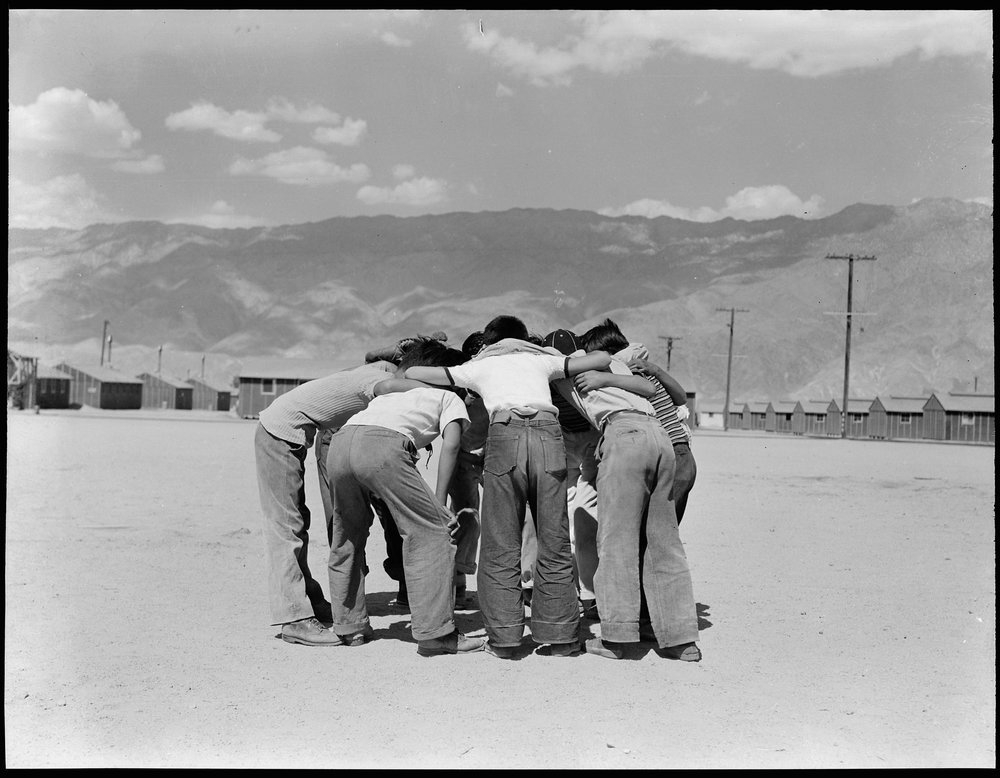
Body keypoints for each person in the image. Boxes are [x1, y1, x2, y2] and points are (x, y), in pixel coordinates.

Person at [404, 314, 612, 658]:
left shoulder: (479, 366)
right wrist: (542, 353)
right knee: (554, 538)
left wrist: (477, 362)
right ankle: (561, 636)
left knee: (501, 541)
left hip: (505, 436)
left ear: (491, 340)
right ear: (522, 338)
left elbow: (413, 373)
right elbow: (602, 359)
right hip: (548, 435)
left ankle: (505, 639)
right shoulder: (540, 360)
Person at [324, 340, 486, 656]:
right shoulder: (448, 399)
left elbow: (384, 385)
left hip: (342, 443)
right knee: (433, 533)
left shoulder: (394, 389)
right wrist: (439, 504)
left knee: (347, 537)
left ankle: (349, 626)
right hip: (382, 448)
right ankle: (436, 633)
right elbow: (451, 447)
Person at [554, 319, 701, 662]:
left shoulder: (566, 366)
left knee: (616, 539)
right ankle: (681, 640)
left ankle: (617, 637)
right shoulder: (620, 362)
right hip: (661, 440)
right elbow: (652, 389)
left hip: (624, 433)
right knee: (664, 542)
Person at [255, 359, 409, 646]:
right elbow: (389, 385)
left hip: (284, 434)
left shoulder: (370, 369)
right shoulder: (372, 381)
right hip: (279, 434)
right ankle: (295, 619)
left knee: (297, 522)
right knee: (286, 527)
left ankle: (310, 600)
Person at [619, 347, 698, 525]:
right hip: (683, 458)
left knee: (657, 531)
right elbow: (681, 398)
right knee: (664, 531)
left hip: (672, 458)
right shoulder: (649, 376)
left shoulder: (634, 380)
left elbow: (681, 398)